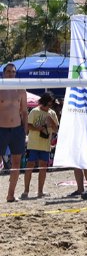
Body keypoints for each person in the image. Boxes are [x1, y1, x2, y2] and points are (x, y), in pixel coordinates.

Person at [0, 63, 28, 202]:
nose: (11, 74)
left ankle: (10, 195)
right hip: (1, 129)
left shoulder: (21, 89)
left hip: (17, 130)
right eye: (9, 71)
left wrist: (25, 130)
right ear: (3, 73)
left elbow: (24, 111)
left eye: (13, 71)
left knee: (16, 163)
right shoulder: (0, 87)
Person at [22, 92, 58, 199]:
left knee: (43, 168)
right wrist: (39, 128)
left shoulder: (52, 113)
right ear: (43, 102)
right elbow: (28, 126)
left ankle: (40, 191)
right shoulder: (34, 111)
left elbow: (57, 129)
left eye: (50, 104)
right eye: (48, 104)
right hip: (33, 144)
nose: (49, 106)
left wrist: (51, 122)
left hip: (45, 145)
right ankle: (26, 191)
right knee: (29, 167)